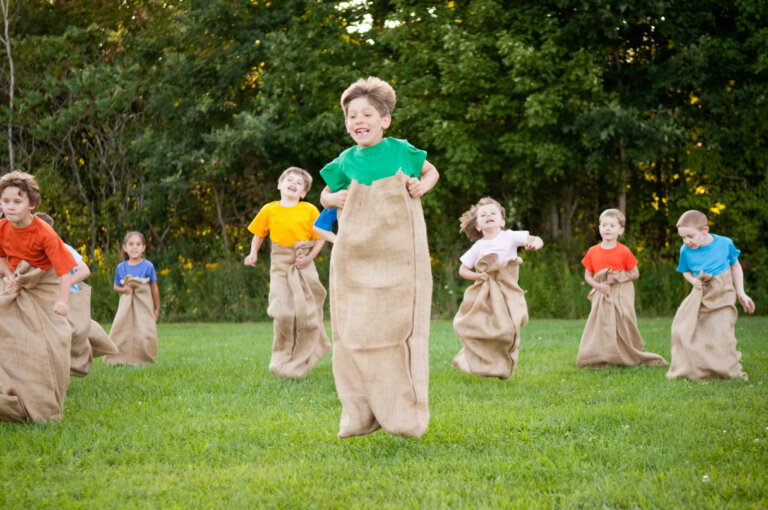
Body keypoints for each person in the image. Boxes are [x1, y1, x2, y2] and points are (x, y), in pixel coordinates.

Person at [320, 76, 438, 439]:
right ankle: (359, 412)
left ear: (384, 119)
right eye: (352, 115)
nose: (359, 120)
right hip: (356, 256)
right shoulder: (345, 160)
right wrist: (332, 200)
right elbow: (325, 193)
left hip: (399, 255)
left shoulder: (400, 150)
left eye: (367, 113)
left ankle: (404, 414)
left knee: (398, 329)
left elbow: (431, 171)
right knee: (354, 329)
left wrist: (422, 185)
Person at [0, 171, 75, 421]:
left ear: (31, 204)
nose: (9, 207)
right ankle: (13, 396)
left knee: (52, 341)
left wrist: (63, 301)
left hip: (44, 284)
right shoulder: (1, 227)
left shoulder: (44, 233)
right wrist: (9, 277)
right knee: (9, 338)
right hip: (16, 285)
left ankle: (45, 400)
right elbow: (1, 256)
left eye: (17, 201)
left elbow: (64, 271)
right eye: (5, 201)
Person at [244, 166, 330, 379]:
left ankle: (306, 355)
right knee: (282, 311)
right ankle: (282, 360)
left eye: (299, 183)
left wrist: (309, 258)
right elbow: (258, 234)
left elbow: (320, 237)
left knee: (305, 313)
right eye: (289, 179)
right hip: (280, 264)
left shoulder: (309, 210)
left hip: (303, 263)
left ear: (303, 193)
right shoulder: (269, 209)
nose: (293, 183)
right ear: (279, 185)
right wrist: (253, 253)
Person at [452, 197, 543, 379]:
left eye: (493, 213)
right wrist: (477, 276)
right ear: (478, 226)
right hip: (486, 293)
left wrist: (534, 244)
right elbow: (463, 269)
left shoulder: (509, 236)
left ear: (502, 221)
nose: (488, 216)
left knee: (508, 328)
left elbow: (535, 238)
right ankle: (475, 359)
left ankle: (502, 362)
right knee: (483, 326)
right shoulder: (478, 247)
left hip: (508, 290)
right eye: (483, 215)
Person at [667, 210, 755, 380]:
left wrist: (741, 292)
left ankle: (726, 370)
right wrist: (693, 281)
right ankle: (698, 368)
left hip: (722, 293)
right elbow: (685, 272)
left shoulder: (725, 243)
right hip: (700, 294)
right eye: (682, 237)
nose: (686, 241)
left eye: (690, 236)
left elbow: (735, 266)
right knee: (684, 329)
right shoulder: (685, 250)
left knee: (721, 331)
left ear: (705, 230)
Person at [578, 208, 668, 368]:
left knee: (622, 322)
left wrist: (618, 277)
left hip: (621, 293)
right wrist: (599, 286)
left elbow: (635, 273)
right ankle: (600, 356)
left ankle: (625, 353)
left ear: (621, 230)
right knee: (601, 324)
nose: (607, 228)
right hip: (601, 292)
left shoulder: (624, 251)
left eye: (612, 225)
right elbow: (587, 276)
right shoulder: (593, 251)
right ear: (599, 229)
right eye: (604, 225)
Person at [34, 212, 117, 376]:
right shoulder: (29, 252)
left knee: (75, 333)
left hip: (68, 298)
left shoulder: (64, 248)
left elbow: (84, 270)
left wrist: (66, 282)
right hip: (44, 301)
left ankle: (72, 361)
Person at [103, 231, 160, 365]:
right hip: (126, 305)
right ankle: (118, 358)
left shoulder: (148, 266)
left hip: (143, 304)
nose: (134, 247)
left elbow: (154, 287)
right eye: (131, 244)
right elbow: (116, 287)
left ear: (143, 248)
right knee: (121, 329)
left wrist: (157, 308)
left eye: (138, 244)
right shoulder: (121, 267)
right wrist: (125, 289)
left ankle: (144, 358)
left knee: (146, 331)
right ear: (125, 247)